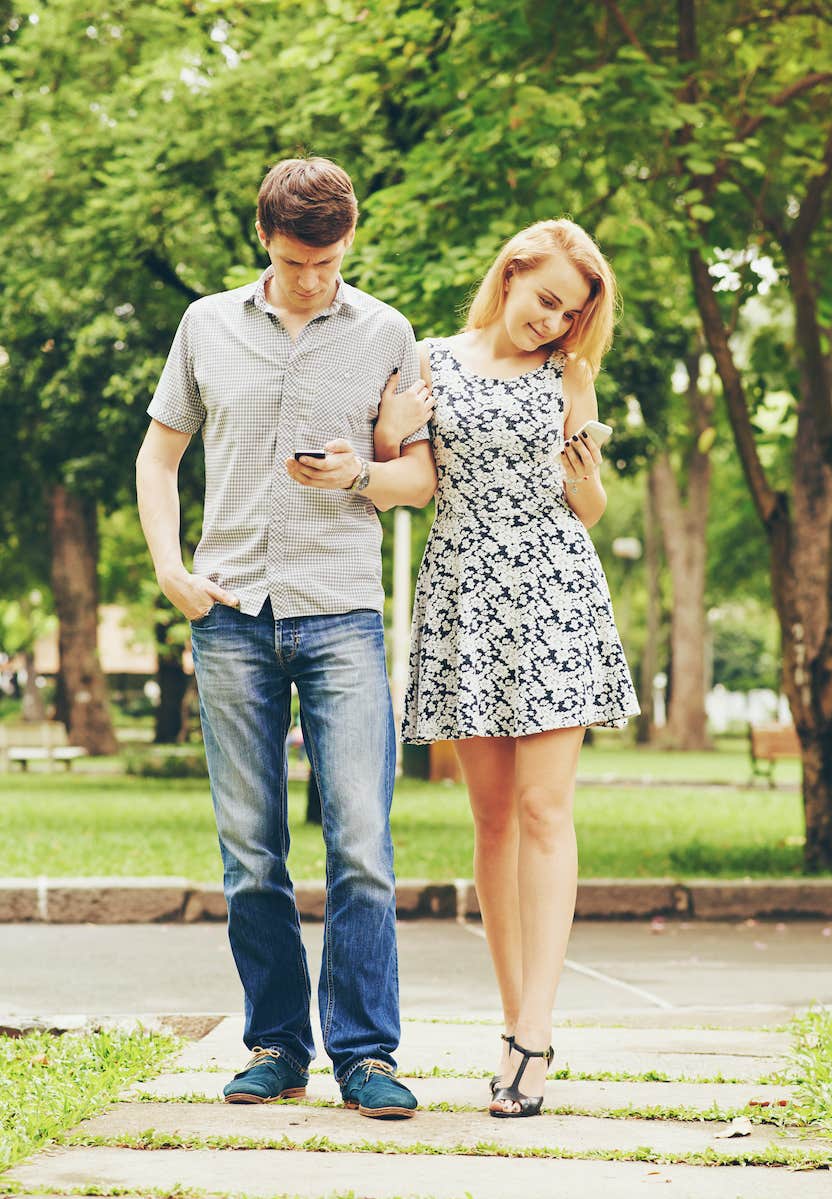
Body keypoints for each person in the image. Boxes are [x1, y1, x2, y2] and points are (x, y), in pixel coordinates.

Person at [136, 156, 436, 1119]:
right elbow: (159, 453)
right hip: (229, 612)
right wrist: (169, 566)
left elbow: (418, 478)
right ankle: (276, 1044)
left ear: (349, 240)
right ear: (264, 238)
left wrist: (357, 472)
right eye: (296, 261)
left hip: (341, 609)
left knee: (362, 843)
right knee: (251, 849)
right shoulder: (205, 325)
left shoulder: (387, 333)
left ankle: (366, 1053)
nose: (312, 279)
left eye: (329, 261)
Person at [374, 219, 639, 1117]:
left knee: (542, 809)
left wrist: (586, 469)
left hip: (553, 592)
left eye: (569, 314)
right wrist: (388, 434)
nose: (553, 322)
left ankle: (536, 1032)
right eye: (546, 301)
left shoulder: (570, 374)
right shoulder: (428, 360)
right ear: (513, 273)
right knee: (490, 819)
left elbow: (589, 508)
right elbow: (409, 478)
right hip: (464, 594)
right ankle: (510, 1018)